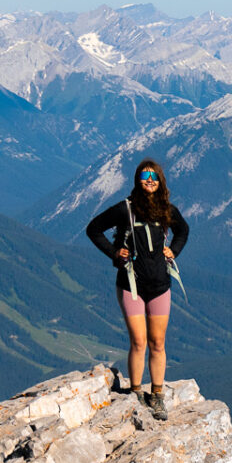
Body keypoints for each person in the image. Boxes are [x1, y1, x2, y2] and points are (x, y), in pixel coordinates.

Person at [85, 159, 190, 419]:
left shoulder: (166, 209)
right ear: (137, 179)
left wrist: (173, 251)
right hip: (131, 285)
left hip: (160, 286)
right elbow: (93, 229)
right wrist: (114, 252)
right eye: (145, 175)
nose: (150, 180)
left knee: (157, 342)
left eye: (155, 176)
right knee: (139, 341)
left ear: (161, 180)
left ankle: (156, 395)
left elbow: (183, 230)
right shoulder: (126, 209)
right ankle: (135, 393)